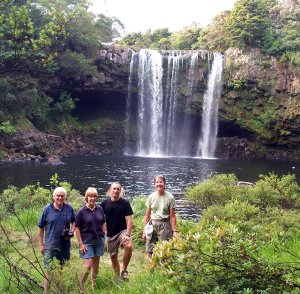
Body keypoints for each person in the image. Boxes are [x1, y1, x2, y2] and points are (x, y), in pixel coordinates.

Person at [38, 187, 75, 294]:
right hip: (50, 246)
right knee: (48, 271)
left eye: (62, 196)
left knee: (61, 270)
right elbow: (40, 227)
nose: (60, 198)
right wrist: (41, 245)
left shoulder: (69, 208)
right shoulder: (47, 209)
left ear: (65, 197)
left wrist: (71, 232)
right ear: (53, 197)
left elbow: (74, 221)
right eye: (58, 195)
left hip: (64, 245)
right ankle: (46, 292)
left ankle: (60, 291)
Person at [75, 187, 105, 293]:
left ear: (96, 197)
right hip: (87, 242)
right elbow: (77, 227)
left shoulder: (100, 209)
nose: (92, 198)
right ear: (86, 197)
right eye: (90, 196)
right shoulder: (82, 212)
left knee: (96, 265)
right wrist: (81, 244)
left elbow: (103, 222)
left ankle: (94, 285)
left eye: (94, 196)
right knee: (88, 265)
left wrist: (103, 234)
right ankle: (81, 287)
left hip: (98, 240)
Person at [100, 182, 133, 279]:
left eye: (118, 189)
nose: (116, 191)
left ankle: (124, 271)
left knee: (128, 246)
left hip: (122, 231)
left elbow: (129, 220)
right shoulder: (104, 204)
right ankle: (117, 277)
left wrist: (127, 234)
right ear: (110, 190)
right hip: (111, 234)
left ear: (120, 191)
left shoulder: (125, 203)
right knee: (113, 257)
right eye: (114, 189)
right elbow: (100, 219)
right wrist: (104, 231)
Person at [142, 175, 178, 259]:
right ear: (154, 184)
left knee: (164, 249)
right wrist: (144, 230)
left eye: (161, 182)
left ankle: (163, 269)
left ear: (164, 184)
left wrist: (175, 231)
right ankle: (150, 269)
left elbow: (172, 216)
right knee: (149, 248)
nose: (159, 184)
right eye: (157, 182)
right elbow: (147, 215)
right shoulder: (151, 197)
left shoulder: (170, 197)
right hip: (152, 224)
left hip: (165, 224)